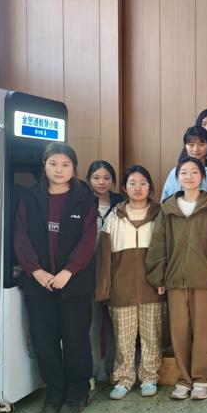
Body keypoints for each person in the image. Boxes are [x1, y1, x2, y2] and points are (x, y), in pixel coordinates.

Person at [14, 142, 97, 413]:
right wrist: (36, 271)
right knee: (44, 340)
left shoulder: (85, 199)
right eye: (53, 164)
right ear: (44, 166)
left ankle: (78, 391)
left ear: (74, 168)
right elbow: (21, 237)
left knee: (76, 340)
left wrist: (68, 271)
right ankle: (54, 390)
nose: (59, 170)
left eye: (65, 165)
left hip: (74, 283)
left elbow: (88, 241)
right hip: (39, 284)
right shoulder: (29, 198)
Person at [146, 157, 207, 401]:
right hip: (175, 279)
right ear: (177, 177)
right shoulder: (168, 208)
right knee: (178, 332)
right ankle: (183, 379)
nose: (189, 177)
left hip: (204, 278)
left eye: (194, 172)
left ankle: (202, 379)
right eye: (184, 172)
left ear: (202, 177)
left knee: (204, 330)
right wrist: (158, 276)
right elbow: (158, 244)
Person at [94, 165, 164, 400]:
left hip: (152, 288)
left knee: (151, 337)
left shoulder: (160, 215)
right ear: (124, 187)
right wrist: (104, 289)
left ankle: (149, 378)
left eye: (143, 183)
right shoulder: (114, 217)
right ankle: (123, 379)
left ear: (150, 188)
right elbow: (104, 258)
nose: (138, 188)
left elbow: (167, 252)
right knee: (123, 339)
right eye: (132, 183)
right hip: (121, 289)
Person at [86, 159, 125, 384]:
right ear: (88, 179)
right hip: (88, 269)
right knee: (92, 322)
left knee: (114, 322)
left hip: (115, 269)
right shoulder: (82, 201)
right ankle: (91, 371)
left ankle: (111, 369)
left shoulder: (121, 202)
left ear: (114, 181)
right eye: (96, 178)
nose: (101, 182)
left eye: (107, 178)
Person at [160, 126, 207, 201]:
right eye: (191, 144)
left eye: (201, 144)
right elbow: (165, 203)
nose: (195, 149)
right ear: (185, 146)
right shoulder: (176, 172)